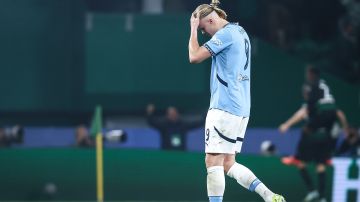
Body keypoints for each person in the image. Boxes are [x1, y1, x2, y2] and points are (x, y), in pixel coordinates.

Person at [188, 1, 285, 201]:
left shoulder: (225, 35)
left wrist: (192, 30)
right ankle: (269, 196)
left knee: (212, 161)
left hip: (224, 106)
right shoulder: (240, 32)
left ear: (212, 20)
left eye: (204, 28)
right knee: (228, 163)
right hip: (241, 107)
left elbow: (194, 57)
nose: (206, 34)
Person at [279, 65, 349, 202]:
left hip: (317, 131)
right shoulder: (325, 91)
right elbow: (339, 113)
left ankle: (298, 158)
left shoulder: (313, 96)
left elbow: (302, 112)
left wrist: (286, 125)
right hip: (327, 132)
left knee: (302, 153)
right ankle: (322, 197)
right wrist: (345, 128)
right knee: (320, 165)